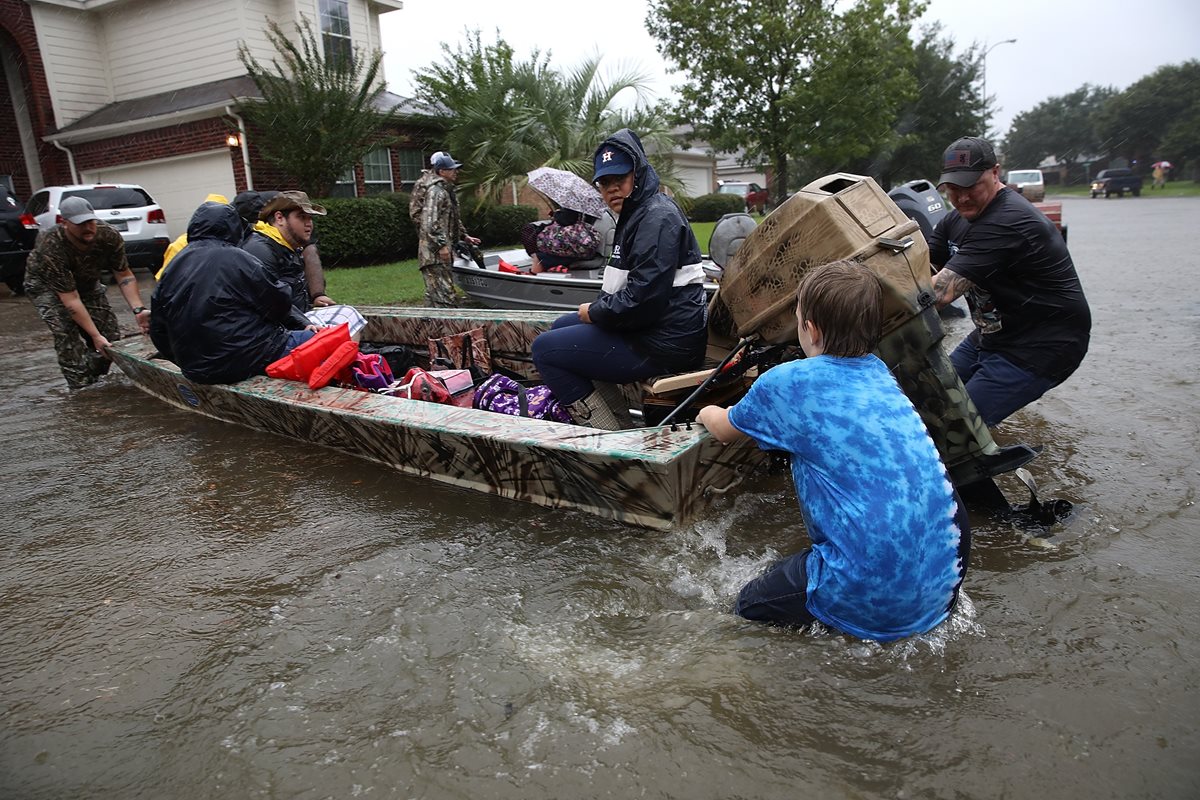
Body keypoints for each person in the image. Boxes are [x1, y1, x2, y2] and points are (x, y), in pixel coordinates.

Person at [698, 260, 971, 641]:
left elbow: (726, 429)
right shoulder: (878, 371)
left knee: (747, 606)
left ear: (809, 328)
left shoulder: (789, 381)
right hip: (948, 568)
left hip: (870, 580)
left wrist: (707, 410)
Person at [530, 129, 708, 429]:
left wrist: (596, 312)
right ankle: (620, 423)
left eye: (619, 180)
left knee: (544, 350)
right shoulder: (637, 212)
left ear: (637, 174)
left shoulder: (656, 217)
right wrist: (596, 312)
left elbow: (645, 299)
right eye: (604, 183)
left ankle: (609, 437)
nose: (612, 189)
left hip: (666, 342)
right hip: (656, 329)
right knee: (562, 326)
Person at [928, 136, 1091, 427]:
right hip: (993, 334)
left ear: (995, 173)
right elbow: (919, 265)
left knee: (956, 427)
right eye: (953, 189)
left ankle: (964, 465)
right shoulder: (955, 221)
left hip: (1042, 345)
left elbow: (935, 295)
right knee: (930, 396)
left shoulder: (1008, 220)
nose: (962, 197)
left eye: (971, 187)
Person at [150, 200, 316, 384]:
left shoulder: (173, 266)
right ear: (233, 228)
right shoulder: (238, 259)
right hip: (245, 360)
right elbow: (279, 302)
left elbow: (158, 329)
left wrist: (184, 360)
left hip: (195, 369)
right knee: (319, 341)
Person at [23, 196, 152, 389]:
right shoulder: (50, 245)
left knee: (109, 336)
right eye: (80, 224)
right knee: (66, 332)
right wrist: (93, 335)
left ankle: (94, 374)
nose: (88, 228)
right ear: (64, 223)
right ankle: (80, 387)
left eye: (90, 221)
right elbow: (71, 299)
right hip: (46, 286)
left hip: (87, 280)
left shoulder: (108, 236)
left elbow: (124, 274)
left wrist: (138, 310)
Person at [242, 190, 365, 336]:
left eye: (310, 218)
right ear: (279, 218)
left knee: (348, 316)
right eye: (302, 217)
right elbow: (273, 300)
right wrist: (306, 323)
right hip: (273, 331)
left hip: (293, 319)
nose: (309, 224)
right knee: (346, 319)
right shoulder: (261, 249)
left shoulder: (285, 244)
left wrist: (316, 297)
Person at [415, 151, 480, 307]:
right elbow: (429, 222)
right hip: (434, 254)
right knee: (445, 298)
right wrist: (442, 245)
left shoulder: (445, 190)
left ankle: (430, 328)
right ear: (441, 171)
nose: (456, 172)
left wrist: (463, 235)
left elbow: (450, 218)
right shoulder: (436, 191)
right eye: (452, 169)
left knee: (436, 295)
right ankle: (447, 328)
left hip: (439, 251)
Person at [527, 208, 601, 274]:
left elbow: (566, 220)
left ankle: (533, 278)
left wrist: (556, 214)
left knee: (539, 257)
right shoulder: (589, 210)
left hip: (569, 252)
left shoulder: (571, 207)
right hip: (584, 252)